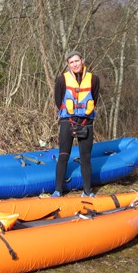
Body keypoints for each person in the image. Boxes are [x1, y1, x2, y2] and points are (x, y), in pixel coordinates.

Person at [51, 51, 100, 198]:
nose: (75, 64)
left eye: (77, 61)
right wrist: (69, 113)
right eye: (71, 62)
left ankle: (87, 191)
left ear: (82, 61)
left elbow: (95, 98)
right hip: (68, 121)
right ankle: (58, 190)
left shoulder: (94, 79)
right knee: (63, 156)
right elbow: (58, 100)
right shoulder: (62, 80)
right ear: (68, 64)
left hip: (86, 122)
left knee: (86, 157)